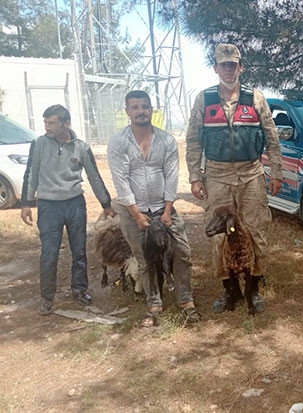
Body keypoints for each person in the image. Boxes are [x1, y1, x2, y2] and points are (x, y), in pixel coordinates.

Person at [185, 43, 283, 314]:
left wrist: (276, 172)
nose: (228, 69)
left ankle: (253, 289)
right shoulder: (204, 100)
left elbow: (272, 138)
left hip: (251, 175)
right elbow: (193, 139)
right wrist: (195, 176)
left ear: (240, 67)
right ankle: (230, 291)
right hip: (217, 176)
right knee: (219, 236)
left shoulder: (256, 99)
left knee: (256, 231)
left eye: (233, 65)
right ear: (216, 68)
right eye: (223, 65)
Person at [107, 90, 200, 327]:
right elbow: (121, 179)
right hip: (133, 212)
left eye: (144, 107)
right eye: (135, 107)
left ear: (151, 110)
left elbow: (171, 175)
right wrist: (136, 214)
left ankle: (185, 300)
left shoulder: (167, 140)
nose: (140, 111)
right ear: (127, 111)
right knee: (145, 258)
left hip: (163, 208)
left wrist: (168, 210)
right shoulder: (118, 142)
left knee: (182, 252)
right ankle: (154, 303)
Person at [20, 104, 115, 315]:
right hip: (48, 206)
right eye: (45, 122)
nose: (47, 127)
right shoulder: (39, 144)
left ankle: (80, 290)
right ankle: (46, 298)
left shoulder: (81, 147)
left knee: (79, 251)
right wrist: (26, 203)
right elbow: (31, 174)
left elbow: (94, 177)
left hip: (74, 204)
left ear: (66, 123)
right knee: (49, 254)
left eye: (51, 122)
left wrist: (106, 205)